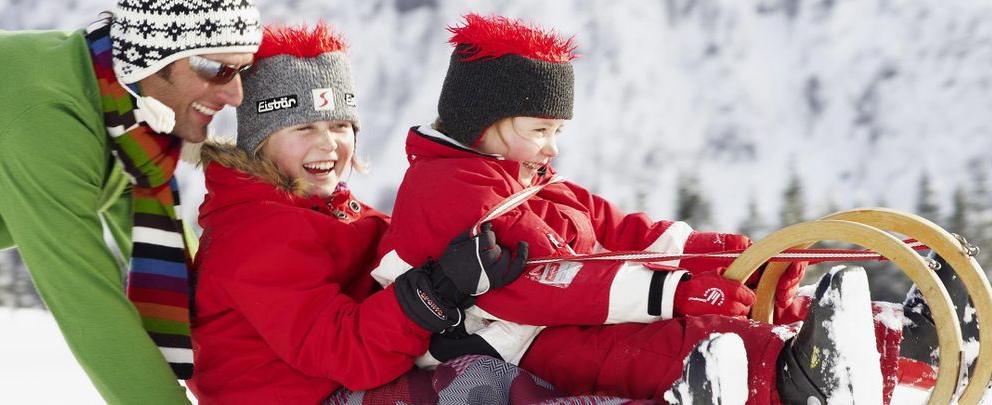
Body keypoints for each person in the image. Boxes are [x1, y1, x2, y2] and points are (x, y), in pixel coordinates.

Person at [372, 14, 893, 404]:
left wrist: (716, 257)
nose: (553, 147)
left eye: (557, 131)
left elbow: (616, 230)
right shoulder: (453, 189)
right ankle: (795, 377)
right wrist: (675, 292)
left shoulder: (523, 177)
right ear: (481, 125)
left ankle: (893, 339)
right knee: (659, 346)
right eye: (539, 131)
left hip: (560, 318)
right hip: (509, 339)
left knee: (754, 302)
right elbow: (543, 284)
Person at [187, 23, 529, 404]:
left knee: (513, 360)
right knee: (481, 383)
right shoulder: (254, 234)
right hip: (302, 396)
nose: (328, 143)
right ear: (260, 143)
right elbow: (345, 351)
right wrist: (435, 290)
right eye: (303, 127)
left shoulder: (336, 214)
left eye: (340, 125)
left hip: (339, 385)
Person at [0, 1, 261, 402]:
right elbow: (89, 305)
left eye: (243, 70)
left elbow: (175, 260)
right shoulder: (47, 125)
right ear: (148, 58)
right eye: (214, 68)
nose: (236, 94)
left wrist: (264, 346)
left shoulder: (120, 107)